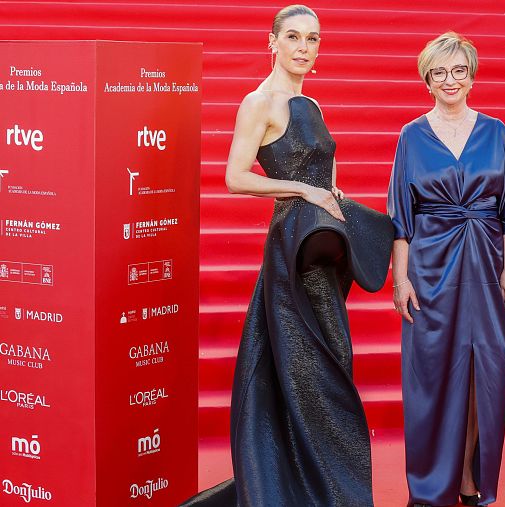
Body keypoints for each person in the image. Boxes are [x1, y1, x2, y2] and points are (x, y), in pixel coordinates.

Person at [180, 5, 393, 506]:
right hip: (291, 255)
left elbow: (329, 178)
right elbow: (236, 176)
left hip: (323, 252)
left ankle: (318, 486)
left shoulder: (311, 104)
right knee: (304, 371)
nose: (303, 47)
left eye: (312, 39)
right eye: (293, 36)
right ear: (271, 41)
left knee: (330, 366)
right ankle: (313, 491)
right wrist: (301, 190)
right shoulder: (260, 103)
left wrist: (339, 209)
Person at [387, 32, 505, 507]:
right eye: (439, 72)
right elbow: (400, 217)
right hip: (429, 264)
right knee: (433, 371)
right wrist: (400, 279)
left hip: (486, 262)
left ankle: (469, 473)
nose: (450, 80)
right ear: (427, 80)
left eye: (458, 70)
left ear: (472, 75)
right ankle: (433, 485)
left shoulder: (496, 131)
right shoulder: (411, 135)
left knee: (485, 369)